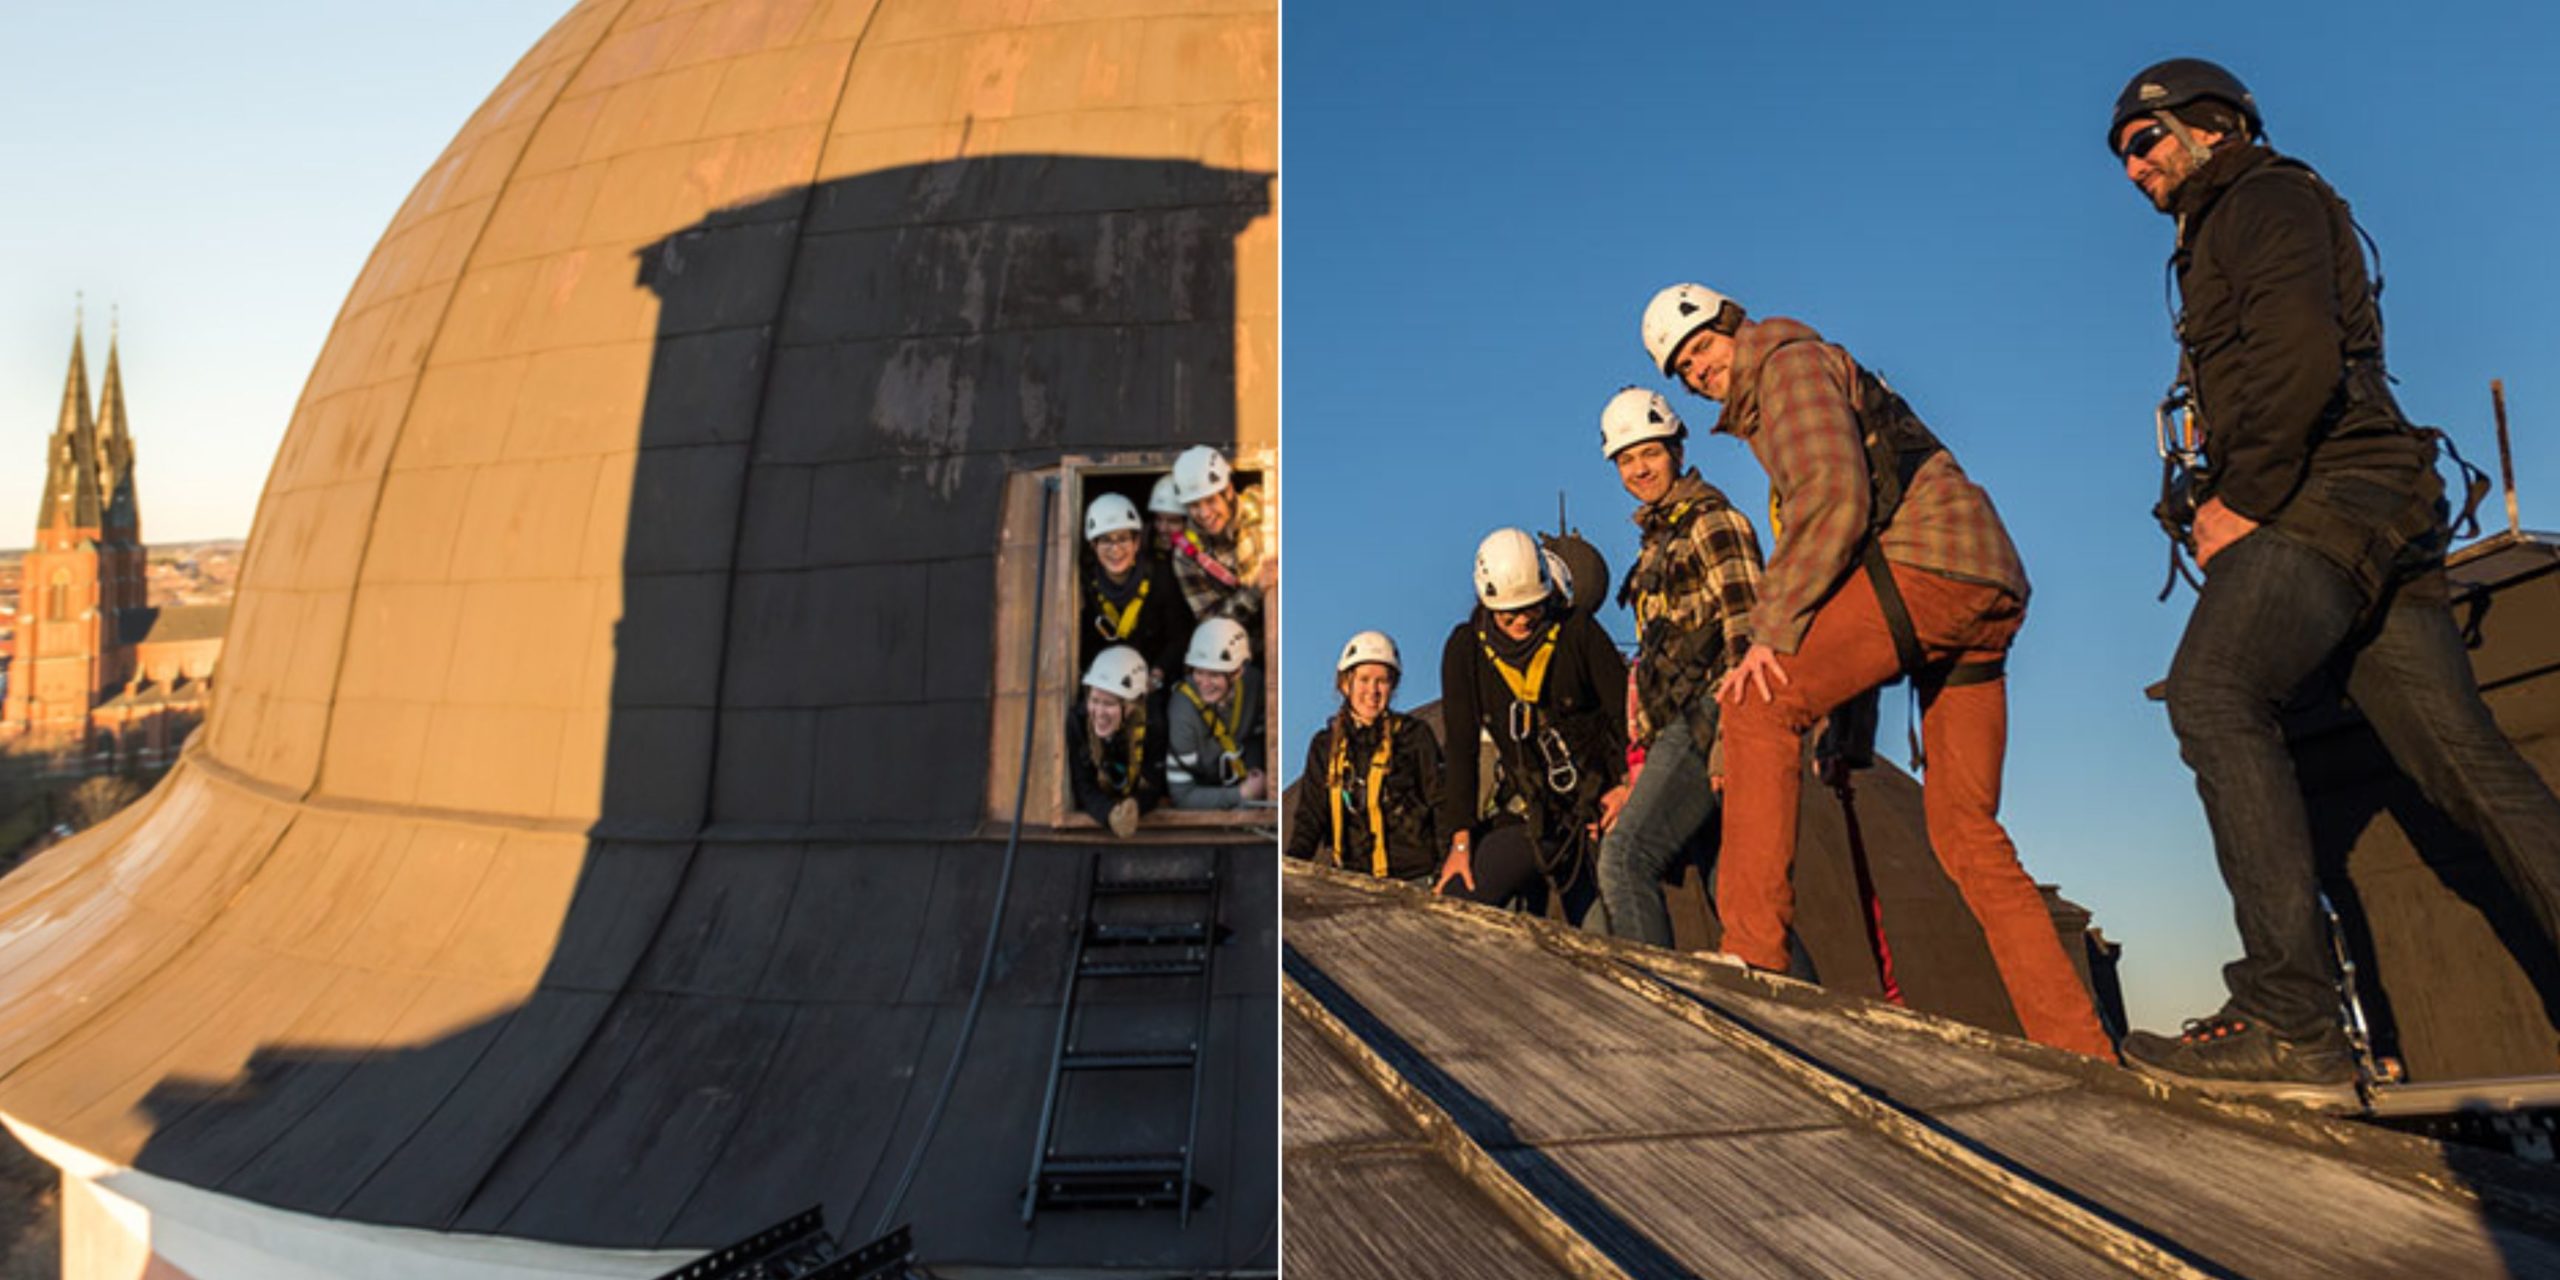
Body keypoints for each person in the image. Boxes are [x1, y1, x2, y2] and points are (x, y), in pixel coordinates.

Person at [2105, 58, 2560, 1105]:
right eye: (2123, 155)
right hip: (2377, 507)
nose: (2132, 169)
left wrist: (2241, 496)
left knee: (2216, 694)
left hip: (2331, 494)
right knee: (2466, 769)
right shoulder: (2233, 220)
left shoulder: (2260, 198)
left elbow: (2298, 359)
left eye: (2144, 141)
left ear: (2213, 126)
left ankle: (2291, 1022)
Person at [1643, 280, 2115, 1060]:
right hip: (1980, 583)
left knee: (1756, 703)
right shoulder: (1805, 380)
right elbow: (1854, 572)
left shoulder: (1788, 368)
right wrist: (1849, 728)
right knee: (1965, 832)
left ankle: (1754, 951)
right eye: (1684, 370)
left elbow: (1836, 501)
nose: (1699, 373)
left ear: (1734, 327)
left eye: (1702, 350)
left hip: (1929, 569)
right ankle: (2080, 1041)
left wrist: (1771, 630)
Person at [1592, 387, 1763, 948]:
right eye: (1626, 459)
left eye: (1650, 453)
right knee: (1730, 892)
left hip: (1709, 719)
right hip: (1676, 725)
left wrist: (1729, 739)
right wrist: (1635, 767)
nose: (1639, 468)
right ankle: (1811, 1012)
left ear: (1677, 450)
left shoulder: (1713, 523)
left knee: (1624, 857)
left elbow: (1750, 633)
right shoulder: (1656, 542)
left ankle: (1657, 1012)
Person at [1435, 527, 1630, 923]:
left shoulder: (1576, 631)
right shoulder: (1466, 650)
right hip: (1530, 813)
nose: (1524, 620)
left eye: (1534, 608)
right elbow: (1461, 748)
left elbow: (1623, 712)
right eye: (1511, 613)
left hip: (1592, 807)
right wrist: (1459, 841)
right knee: (1457, 903)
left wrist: (1626, 785)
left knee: (1599, 937)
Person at [1285, 631, 1445, 882]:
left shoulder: (1414, 737)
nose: (1373, 691)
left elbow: (1440, 803)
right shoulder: (1325, 746)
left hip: (1415, 880)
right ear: (1345, 684)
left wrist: (1445, 870)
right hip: (1351, 883)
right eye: (1364, 680)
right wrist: (1290, 871)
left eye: (1382, 681)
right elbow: (1310, 817)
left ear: (1393, 686)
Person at [1079, 491, 1195, 683]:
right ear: (1094, 545)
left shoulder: (1161, 577)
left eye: (1123, 538)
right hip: (1107, 681)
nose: (1115, 549)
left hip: (1153, 680)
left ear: (1137, 543)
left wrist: (1159, 671)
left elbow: (1180, 636)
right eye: (1106, 540)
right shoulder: (1086, 586)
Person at [1165, 445, 1271, 634]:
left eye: (1210, 500)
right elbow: (1211, 626)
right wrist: (1255, 591)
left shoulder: (1266, 504)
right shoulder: (1186, 554)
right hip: (1240, 647)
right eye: (1194, 505)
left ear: (1228, 491)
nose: (1204, 513)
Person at [1167, 617, 1269, 809]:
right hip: (1206, 797)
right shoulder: (1182, 710)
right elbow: (1182, 795)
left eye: (1214, 674)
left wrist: (1256, 770)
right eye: (1198, 672)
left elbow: (1258, 736)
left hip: (1247, 782)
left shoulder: (1255, 685)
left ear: (1237, 672)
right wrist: (1241, 794)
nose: (1204, 683)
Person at [1070, 645, 1166, 837]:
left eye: (1109, 704)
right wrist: (1108, 813)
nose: (1099, 713)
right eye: (1094, 700)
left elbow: (1154, 784)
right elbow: (1083, 784)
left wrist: (1136, 805)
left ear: (1132, 705)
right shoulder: (1079, 722)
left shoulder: (1153, 724)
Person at [1147, 473, 1192, 561]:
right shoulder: (1144, 545)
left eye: (1173, 521)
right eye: (1158, 519)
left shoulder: (1204, 557)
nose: (1162, 529)